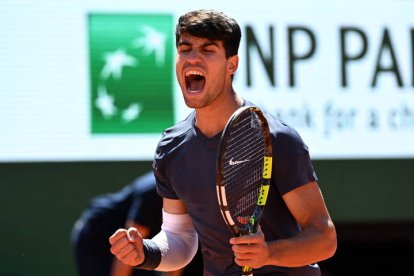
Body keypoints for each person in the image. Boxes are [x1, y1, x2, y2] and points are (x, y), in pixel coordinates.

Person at [109, 9, 337, 275]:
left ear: (232, 64)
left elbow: (324, 239)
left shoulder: (275, 138)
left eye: (208, 50)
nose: (193, 58)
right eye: (185, 49)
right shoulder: (170, 148)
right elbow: (180, 239)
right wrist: (145, 252)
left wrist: (268, 253)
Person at [71, 171, 202, 276]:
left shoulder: (192, 193)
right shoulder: (151, 191)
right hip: (97, 239)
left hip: (137, 247)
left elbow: (180, 252)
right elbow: (129, 244)